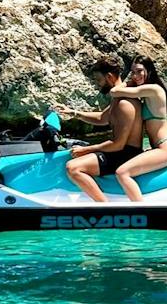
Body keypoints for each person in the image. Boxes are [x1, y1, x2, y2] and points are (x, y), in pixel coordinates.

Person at [58, 55, 144, 203]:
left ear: (109, 77)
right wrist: (73, 113)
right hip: (119, 152)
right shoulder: (118, 99)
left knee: (73, 168)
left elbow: (118, 144)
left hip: (126, 154)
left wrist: (87, 149)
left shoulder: (125, 103)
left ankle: (104, 206)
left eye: (99, 80)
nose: (98, 84)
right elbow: (101, 118)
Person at [105, 57, 167, 202]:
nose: (136, 76)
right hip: (159, 147)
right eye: (133, 73)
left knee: (122, 172)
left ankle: (141, 210)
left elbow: (115, 92)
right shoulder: (145, 93)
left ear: (149, 70)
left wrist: (128, 82)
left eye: (139, 71)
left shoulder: (153, 89)